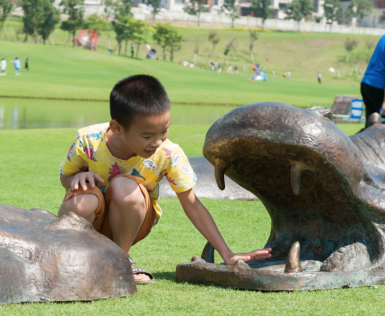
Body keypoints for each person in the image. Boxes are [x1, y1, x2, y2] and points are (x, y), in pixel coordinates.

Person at [58, 75, 271, 284]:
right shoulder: (88, 140)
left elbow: (193, 206)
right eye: (147, 136)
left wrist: (227, 253)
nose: (157, 141)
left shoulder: (169, 154)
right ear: (117, 128)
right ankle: (72, 258)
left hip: (131, 220)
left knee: (126, 186)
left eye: (164, 130)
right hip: (89, 219)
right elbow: (64, 177)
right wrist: (78, 177)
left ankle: (120, 261)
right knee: (84, 200)